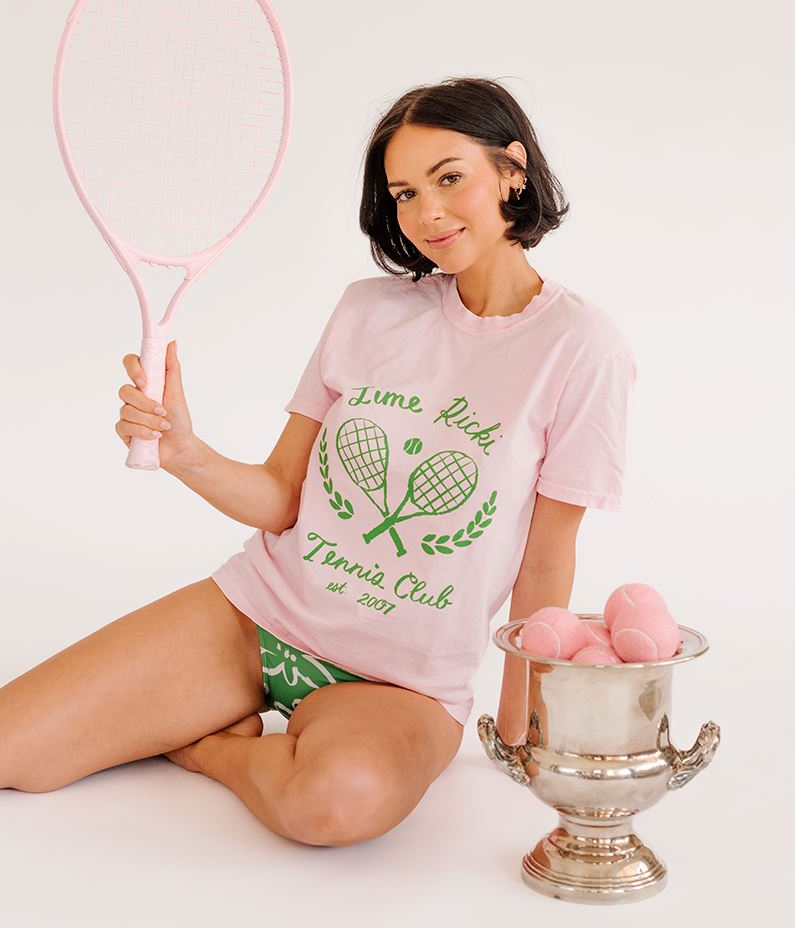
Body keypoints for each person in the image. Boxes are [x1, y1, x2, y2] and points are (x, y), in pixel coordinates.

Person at [0, 77, 636, 848]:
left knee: (333, 805)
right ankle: (235, 722)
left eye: (448, 178)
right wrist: (185, 453)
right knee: (12, 749)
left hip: (401, 684)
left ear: (512, 169)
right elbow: (282, 497)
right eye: (403, 193)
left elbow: (544, 562)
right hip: (257, 615)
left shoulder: (581, 347)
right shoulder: (369, 310)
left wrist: (520, 719)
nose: (426, 213)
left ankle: (216, 749)